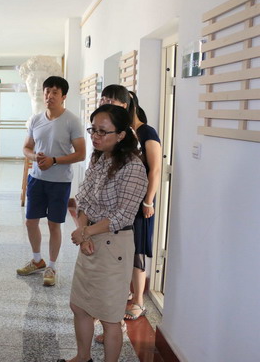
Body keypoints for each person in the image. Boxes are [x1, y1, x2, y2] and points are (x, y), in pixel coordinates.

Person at [59, 104, 148, 362]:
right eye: (93, 130)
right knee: (79, 306)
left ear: (121, 135)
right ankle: (83, 357)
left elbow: (123, 216)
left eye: (103, 131)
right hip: (92, 236)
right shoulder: (99, 158)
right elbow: (84, 200)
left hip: (115, 244)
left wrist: (86, 231)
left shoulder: (133, 167)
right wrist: (84, 234)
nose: (95, 137)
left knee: (110, 317)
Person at [99, 86, 162, 322]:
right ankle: (126, 291)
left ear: (124, 105)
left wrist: (148, 201)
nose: (105, 103)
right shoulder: (124, 131)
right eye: (103, 99)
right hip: (124, 199)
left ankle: (138, 302)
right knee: (123, 247)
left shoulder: (145, 131)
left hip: (141, 202)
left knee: (137, 250)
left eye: (110, 100)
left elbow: (155, 169)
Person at [16, 76, 85, 286]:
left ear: (64, 96)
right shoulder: (36, 120)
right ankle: (37, 260)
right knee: (30, 222)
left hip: (60, 182)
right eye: (47, 91)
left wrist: (54, 160)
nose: (49, 96)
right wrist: (35, 157)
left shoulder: (72, 121)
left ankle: (52, 267)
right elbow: (26, 148)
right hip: (36, 179)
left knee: (54, 225)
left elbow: (81, 153)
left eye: (55, 92)